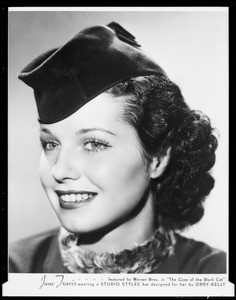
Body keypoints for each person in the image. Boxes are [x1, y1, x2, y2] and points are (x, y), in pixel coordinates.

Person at [9, 22, 226, 273]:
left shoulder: (213, 272)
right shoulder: (15, 270)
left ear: (159, 157)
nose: (59, 170)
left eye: (93, 143)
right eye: (50, 143)